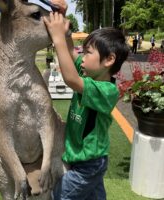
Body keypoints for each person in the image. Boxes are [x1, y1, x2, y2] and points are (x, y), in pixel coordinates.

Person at [43, 1, 129, 199]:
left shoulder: (107, 91)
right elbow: (72, 54)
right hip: (83, 158)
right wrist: (63, 23)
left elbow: (71, 79)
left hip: (88, 164)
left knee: (59, 195)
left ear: (109, 60)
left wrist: (57, 40)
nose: (82, 56)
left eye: (88, 52)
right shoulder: (91, 72)